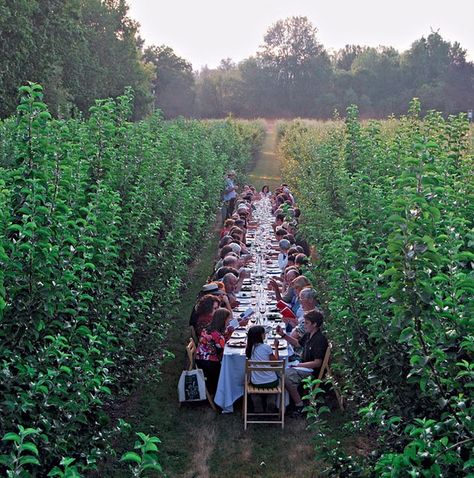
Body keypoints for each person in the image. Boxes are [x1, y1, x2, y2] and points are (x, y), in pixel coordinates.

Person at [276, 309, 328, 416]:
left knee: (285, 375)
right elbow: (297, 344)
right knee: (281, 368)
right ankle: (283, 402)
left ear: (315, 324)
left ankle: (299, 405)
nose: (304, 325)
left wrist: (298, 365)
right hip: (303, 365)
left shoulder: (319, 340)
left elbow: (317, 363)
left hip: (311, 370)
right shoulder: (309, 334)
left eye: (307, 323)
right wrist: (283, 335)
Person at [195, 308, 232, 394]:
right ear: (223, 320)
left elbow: (221, 342)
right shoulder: (216, 335)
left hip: (201, 358)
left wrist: (229, 333)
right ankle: (220, 393)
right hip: (208, 362)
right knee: (228, 370)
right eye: (228, 319)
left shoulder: (208, 328)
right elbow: (222, 350)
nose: (229, 321)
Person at [245, 325, 280, 411]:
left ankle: (257, 401)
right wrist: (276, 347)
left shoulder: (249, 349)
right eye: (264, 333)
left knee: (251, 382)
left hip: (256, 382)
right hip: (272, 382)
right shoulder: (267, 347)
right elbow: (275, 363)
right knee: (276, 379)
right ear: (261, 335)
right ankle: (271, 400)